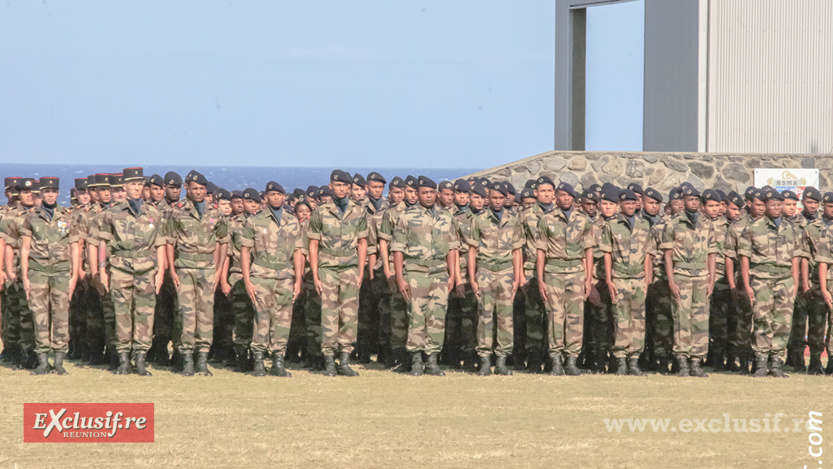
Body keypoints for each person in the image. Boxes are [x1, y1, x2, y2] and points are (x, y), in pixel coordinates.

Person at [96, 168, 166, 376]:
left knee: (145, 313)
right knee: (122, 313)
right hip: (120, 267)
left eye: (139, 184)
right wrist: (102, 270)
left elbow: (160, 244)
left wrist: (161, 271)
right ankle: (123, 358)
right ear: (124, 187)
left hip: (146, 268)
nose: (137, 188)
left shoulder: (153, 213)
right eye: (132, 184)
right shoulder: (112, 213)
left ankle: (141, 357)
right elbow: (103, 242)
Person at [391, 176, 459, 376]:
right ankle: (416, 360)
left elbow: (453, 248)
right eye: (424, 193)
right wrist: (400, 277)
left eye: (431, 192)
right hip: (416, 272)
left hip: (439, 272)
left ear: (436, 193)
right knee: (416, 317)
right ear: (418, 194)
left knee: (437, 317)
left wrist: (453, 275)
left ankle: (432, 360)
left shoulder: (446, 217)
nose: (428, 196)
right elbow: (397, 249)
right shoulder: (406, 217)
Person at [166, 170, 229, 376]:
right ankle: (187, 360)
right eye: (195, 189)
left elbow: (222, 242)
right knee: (186, 314)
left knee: (206, 314)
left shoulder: (215, 212)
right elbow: (170, 242)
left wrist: (219, 270)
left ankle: (202, 358)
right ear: (187, 188)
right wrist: (172, 270)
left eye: (202, 189)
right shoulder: (177, 211)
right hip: (184, 266)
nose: (199, 192)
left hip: (207, 268)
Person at [307, 169, 368, 377]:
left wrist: (360, 271)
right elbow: (313, 245)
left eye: (345, 185)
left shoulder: (358, 211)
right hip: (328, 267)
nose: (342, 189)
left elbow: (362, 242)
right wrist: (315, 274)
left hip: (350, 266)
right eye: (338, 185)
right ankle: (329, 360)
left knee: (349, 314)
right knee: (329, 314)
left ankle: (344, 359)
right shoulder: (321, 211)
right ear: (331, 186)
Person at [241, 181, 304, 377]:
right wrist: (247, 280)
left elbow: (298, 251)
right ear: (265, 198)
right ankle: (258, 360)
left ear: (284, 197)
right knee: (261, 318)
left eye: (280, 194)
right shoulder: (254, 221)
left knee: (283, 320)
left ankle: (278, 360)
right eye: (272, 194)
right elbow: (245, 251)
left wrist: (298, 280)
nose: (276, 197)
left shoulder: (293, 221)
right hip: (261, 274)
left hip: (285, 275)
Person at [20, 177, 81, 375]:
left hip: (61, 271)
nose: (50, 195)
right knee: (39, 316)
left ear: (57, 193)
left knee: (61, 315)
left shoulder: (68, 216)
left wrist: (73, 277)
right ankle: (43, 360)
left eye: (53, 191)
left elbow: (75, 248)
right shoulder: (31, 217)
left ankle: (59, 360)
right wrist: (25, 277)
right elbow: (25, 249)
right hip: (38, 270)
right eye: (46, 191)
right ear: (41, 194)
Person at [739, 187, 799, 378]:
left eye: (778, 205)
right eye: (772, 204)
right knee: (762, 320)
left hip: (785, 280)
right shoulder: (753, 228)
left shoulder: (791, 229)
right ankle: (761, 362)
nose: (775, 208)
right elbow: (745, 258)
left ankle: (776, 362)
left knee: (783, 323)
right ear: (764, 205)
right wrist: (747, 284)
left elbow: (795, 258)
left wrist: (795, 283)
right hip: (761, 280)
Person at [535, 180, 593, 376]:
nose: (566, 198)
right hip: (554, 271)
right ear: (556, 198)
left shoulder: (583, 220)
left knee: (576, 317)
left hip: (576, 271)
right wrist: (541, 278)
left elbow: (588, 251)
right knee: (555, 316)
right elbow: (541, 251)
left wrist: (588, 279)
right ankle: (556, 361)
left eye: (569, 195)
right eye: (562, 195)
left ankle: (571, 360)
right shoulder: (547, 219)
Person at [467, 181, 523, 376]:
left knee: (506, 318)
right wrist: (473, 277)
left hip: (506, 272)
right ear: (488, 198)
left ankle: (501, 360)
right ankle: (484, 360)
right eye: (494, 198)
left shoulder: (514, 219)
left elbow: (517, 250)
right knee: (485, 316)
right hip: (485, 271)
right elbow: (472, 250)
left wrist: (517, 277)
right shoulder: (479, 219)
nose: (498, 201)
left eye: (501, 198)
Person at [661, 183, 716, 377]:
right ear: (683, 201)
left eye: (696, 200)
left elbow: (712, 254)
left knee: (701, 319)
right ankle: (682, 360)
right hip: (681, 275)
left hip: (702, 276)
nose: (693, 202)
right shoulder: (673, 224)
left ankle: (696, 361)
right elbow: (667, 255)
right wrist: (671, 280)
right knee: (681, 318)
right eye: (690, 199)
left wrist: (711, 280)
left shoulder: (707, 224)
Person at [600, 188, 655, 376]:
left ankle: (634, 361)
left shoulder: (644, 225)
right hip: (620, 278)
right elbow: (607, 254)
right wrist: (609, 279)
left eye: (633, 203)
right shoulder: (612, 225)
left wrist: (648, 279)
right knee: (621, 319)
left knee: (638, 320)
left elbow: (649, 254)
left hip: (639, 278)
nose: (631, 206)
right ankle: (621, 361)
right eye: (627, 204)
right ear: (620, 205)